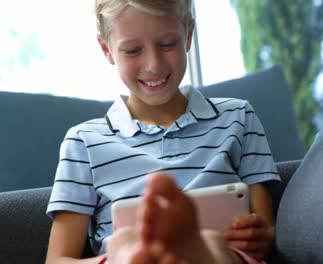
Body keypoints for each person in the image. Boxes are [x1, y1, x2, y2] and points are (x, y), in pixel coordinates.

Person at [45, 0, 280, 263]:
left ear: (188, 35)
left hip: (222, 255)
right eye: (133, 50)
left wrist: (261, 235)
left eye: (168, 45)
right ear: (106, 50)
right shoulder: (83, 143)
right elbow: (58, 260)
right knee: (125, 241)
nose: (153, 66)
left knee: (213, 241)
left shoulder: (238, 117)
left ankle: (188, 250)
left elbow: (266, 230)